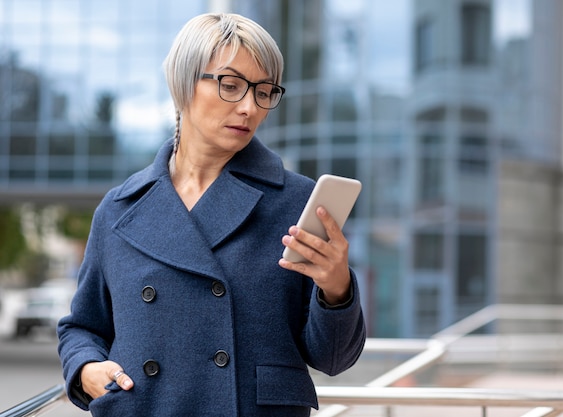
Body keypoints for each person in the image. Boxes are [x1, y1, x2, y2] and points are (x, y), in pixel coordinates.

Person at [57, 12, 366, 417]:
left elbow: (334, 359)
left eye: (263, 91)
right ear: (183, 87)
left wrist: (336, 289)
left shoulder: (298, 201)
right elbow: (83, 326)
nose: (249, 107)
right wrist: (86, 369)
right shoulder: (119, 209)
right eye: (231, 85)